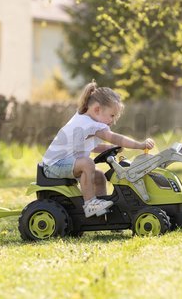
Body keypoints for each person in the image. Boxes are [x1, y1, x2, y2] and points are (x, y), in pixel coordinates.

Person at [42, 81, 155, 218]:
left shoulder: (86, 120)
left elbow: (89, 146)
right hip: (54, 165)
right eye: (112, 115)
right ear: (97, 109)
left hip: (64, 162)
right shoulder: (89, 124)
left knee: (99, 176)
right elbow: (115, 137)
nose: (113, 121)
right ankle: (90, 204)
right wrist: (139, 145)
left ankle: (102, 212)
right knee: (87, 163)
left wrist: (109, 148)